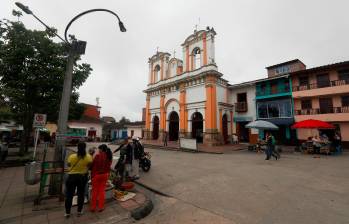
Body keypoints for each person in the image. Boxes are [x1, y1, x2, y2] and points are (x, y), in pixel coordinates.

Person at [65, 142, 92, 218]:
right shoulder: (88, 157)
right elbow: (89, 166)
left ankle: (67, 213)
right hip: (82, 177)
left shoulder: (72, 156)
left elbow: (69, 165)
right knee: (81, 195)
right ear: (85, 147)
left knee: (69, 195)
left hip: (71, 177)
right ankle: (79, 211)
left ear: (77, 147)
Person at [90, 144, 112, 212]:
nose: (98, 150)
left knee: (94, 192)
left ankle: (93, 207)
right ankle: (101, 207)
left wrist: (91, 155)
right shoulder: (109, 156)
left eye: (99, 149)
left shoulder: (97, 156)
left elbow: (92, 166)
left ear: (101, 149)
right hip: (105, 175)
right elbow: (109, 166)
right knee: (102, 191)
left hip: (96, 175)